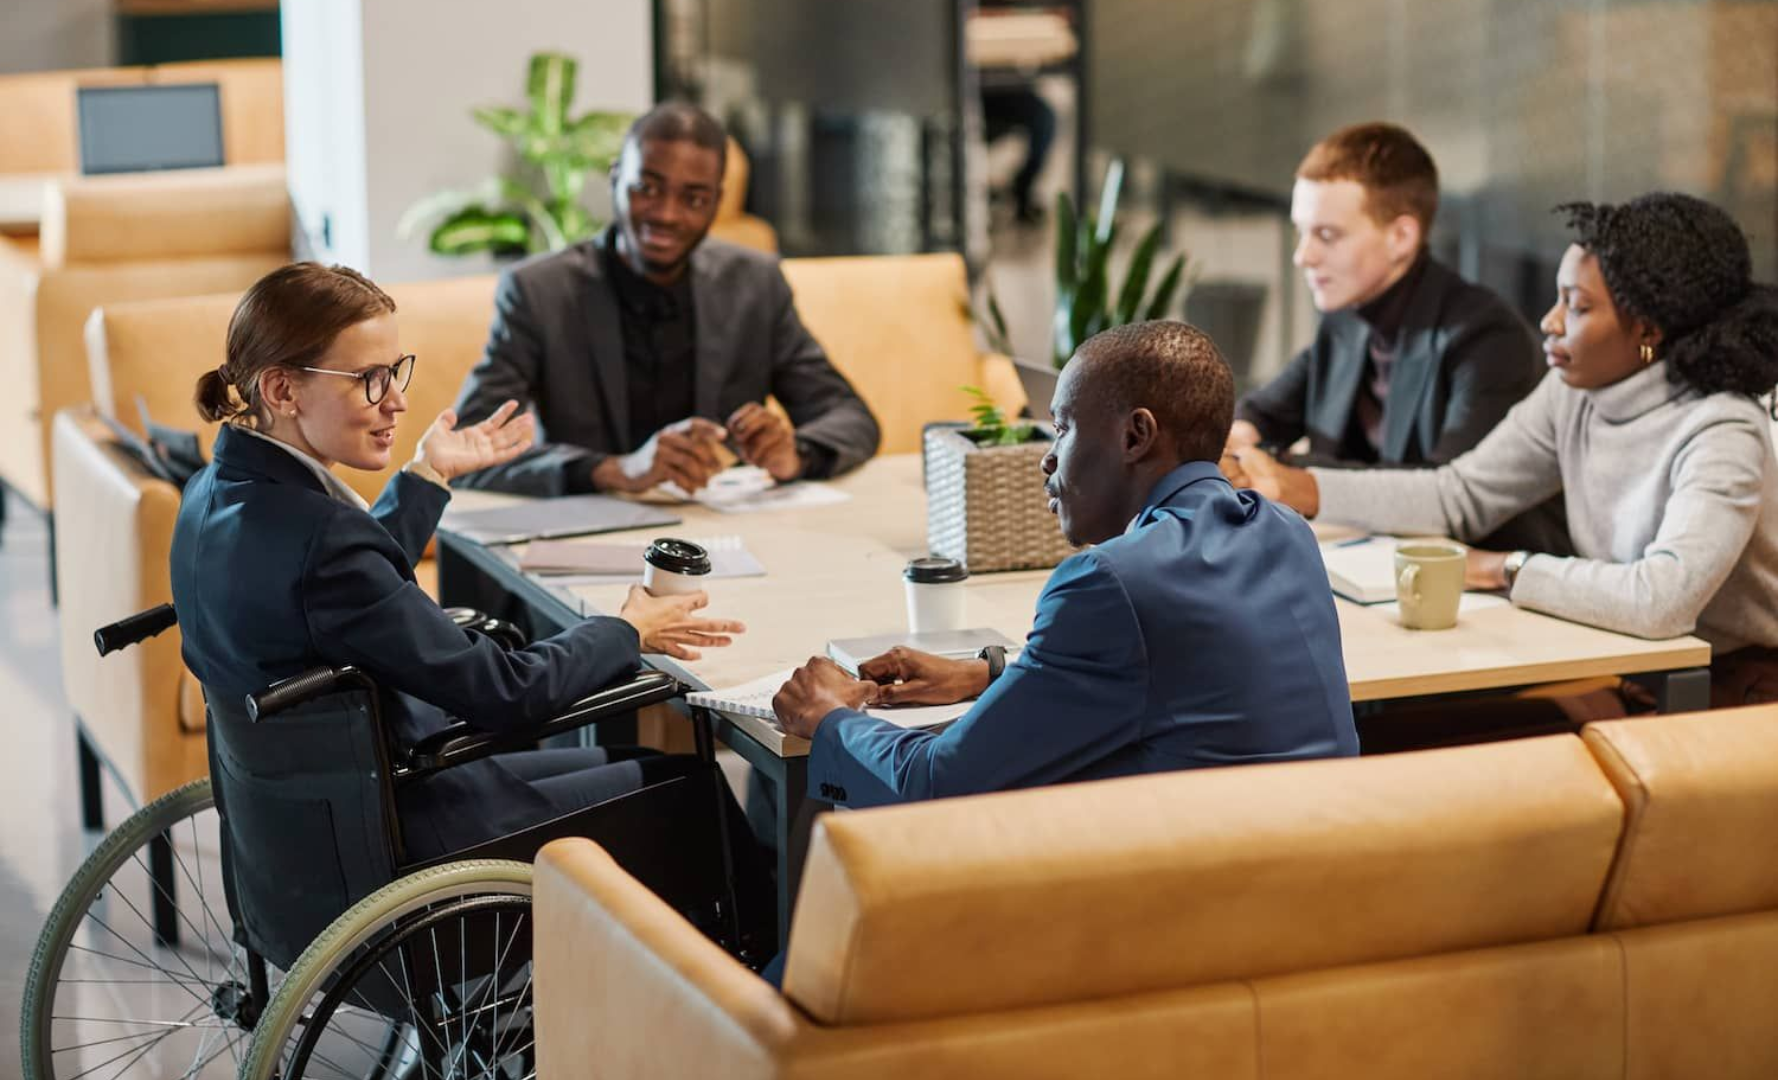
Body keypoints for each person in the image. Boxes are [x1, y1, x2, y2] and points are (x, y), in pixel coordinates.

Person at [172, 262, 748, 859]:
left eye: (396, 372)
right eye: (369, 378)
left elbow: (338, 587)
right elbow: (505, 692)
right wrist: (627, 629)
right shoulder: (324, 545)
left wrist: (429, 472)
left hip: (313, 827)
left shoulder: (215, 495)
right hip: (416, 827)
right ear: (281, 390)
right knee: (691, 789)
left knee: (643, 764)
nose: (396, 401)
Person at [770, 320, 1359, 808]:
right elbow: (1182, 674)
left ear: (1136, 436)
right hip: (1314, 899)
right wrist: (992, 675)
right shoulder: (1285, 531)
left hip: (1181, 921)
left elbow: (939, 784)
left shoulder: (1111, 583)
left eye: (1063, 427)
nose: (1047, 460)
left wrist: (830, 718)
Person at [1228, 192, 1778, 711]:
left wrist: (1502, 569)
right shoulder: (1576, 394)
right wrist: (1293, 487)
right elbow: (1460, 494)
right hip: (1627, 661)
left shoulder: (1723, 429)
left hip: (1733, 687)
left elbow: (1663, 600)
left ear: (1647, 331)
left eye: (1577, 307)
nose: (1550, 322)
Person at [451, 102, 880, 498]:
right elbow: (467, 449)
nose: (667, 214)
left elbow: (850, 418)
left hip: (720, 539)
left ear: (715, 202)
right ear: (617, 180)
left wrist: (795, 453)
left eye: (693, 198)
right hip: (591, 535)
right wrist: (612, 470)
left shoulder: (755, 285)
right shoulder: (539, 292)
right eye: (648, 189)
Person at [1227, 122, 1563, 551]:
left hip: (1483, 584)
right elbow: (1264, 412)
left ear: (1401, 236)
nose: (1303, 256)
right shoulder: (1346, 318)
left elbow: (1443, 498)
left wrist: (1285, 473)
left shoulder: (1487, 339)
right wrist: (1238, 442)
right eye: (1301, 231)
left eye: (1326, 235)